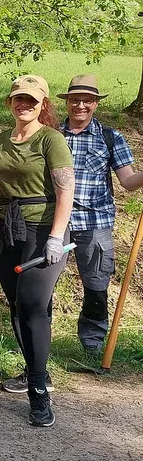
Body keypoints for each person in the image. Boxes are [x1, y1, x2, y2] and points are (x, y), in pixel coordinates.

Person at [0, 75, 75, 427]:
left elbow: (66, 190)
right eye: (19, 99)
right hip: (7, 226)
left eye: (32, 101)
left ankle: (38, 391)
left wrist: (56, 236)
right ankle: (35, 368)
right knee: (18, 304)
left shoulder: (51, 140)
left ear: (43, 104)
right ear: (10, 102)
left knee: (34, 305)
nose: (24, 105)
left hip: (43, 228)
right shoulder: (1, 141)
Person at [58, 75, 143, 353]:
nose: (80, 105)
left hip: (95, 224)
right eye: (74, 100)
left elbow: (128, 182)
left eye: (87, 100)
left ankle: (93, 343)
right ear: (67, 102)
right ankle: (37, 342)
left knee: (96, 286)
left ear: (95, 104)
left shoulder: (110, 137)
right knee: (41, 285)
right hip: (55, 223)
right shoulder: (51, 136)